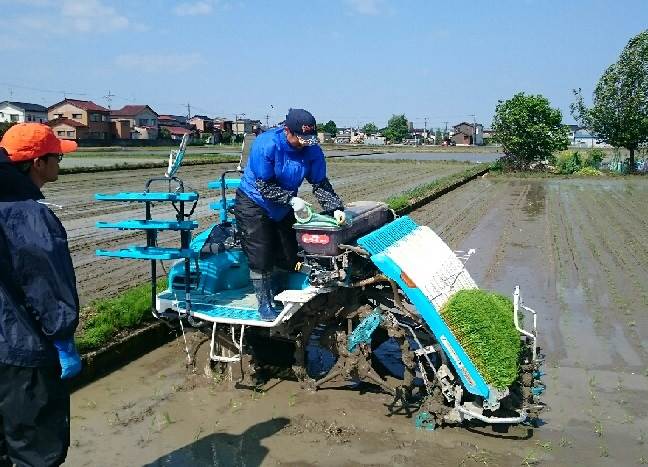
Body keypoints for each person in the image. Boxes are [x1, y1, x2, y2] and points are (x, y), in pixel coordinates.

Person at [0, 123, 82, 467]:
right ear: (37, 163)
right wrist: (63, 339)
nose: (60, 163)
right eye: (56, 156)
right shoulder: (30, 215)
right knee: (36, 451)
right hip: (25, 351)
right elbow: (46, 286)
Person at [235, 109, 345, 321]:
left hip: (283, 206)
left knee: (289, 253)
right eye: (300, 138)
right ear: (287, 130)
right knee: (261, 254)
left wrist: (335, 207)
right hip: (254, 202)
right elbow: (264, 186)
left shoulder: (312, 150)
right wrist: (292, 200)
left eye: (309, 138)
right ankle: (264, 304)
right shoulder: (267, 145)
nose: (305, 143)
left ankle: (281, 291)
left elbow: (320, 182)